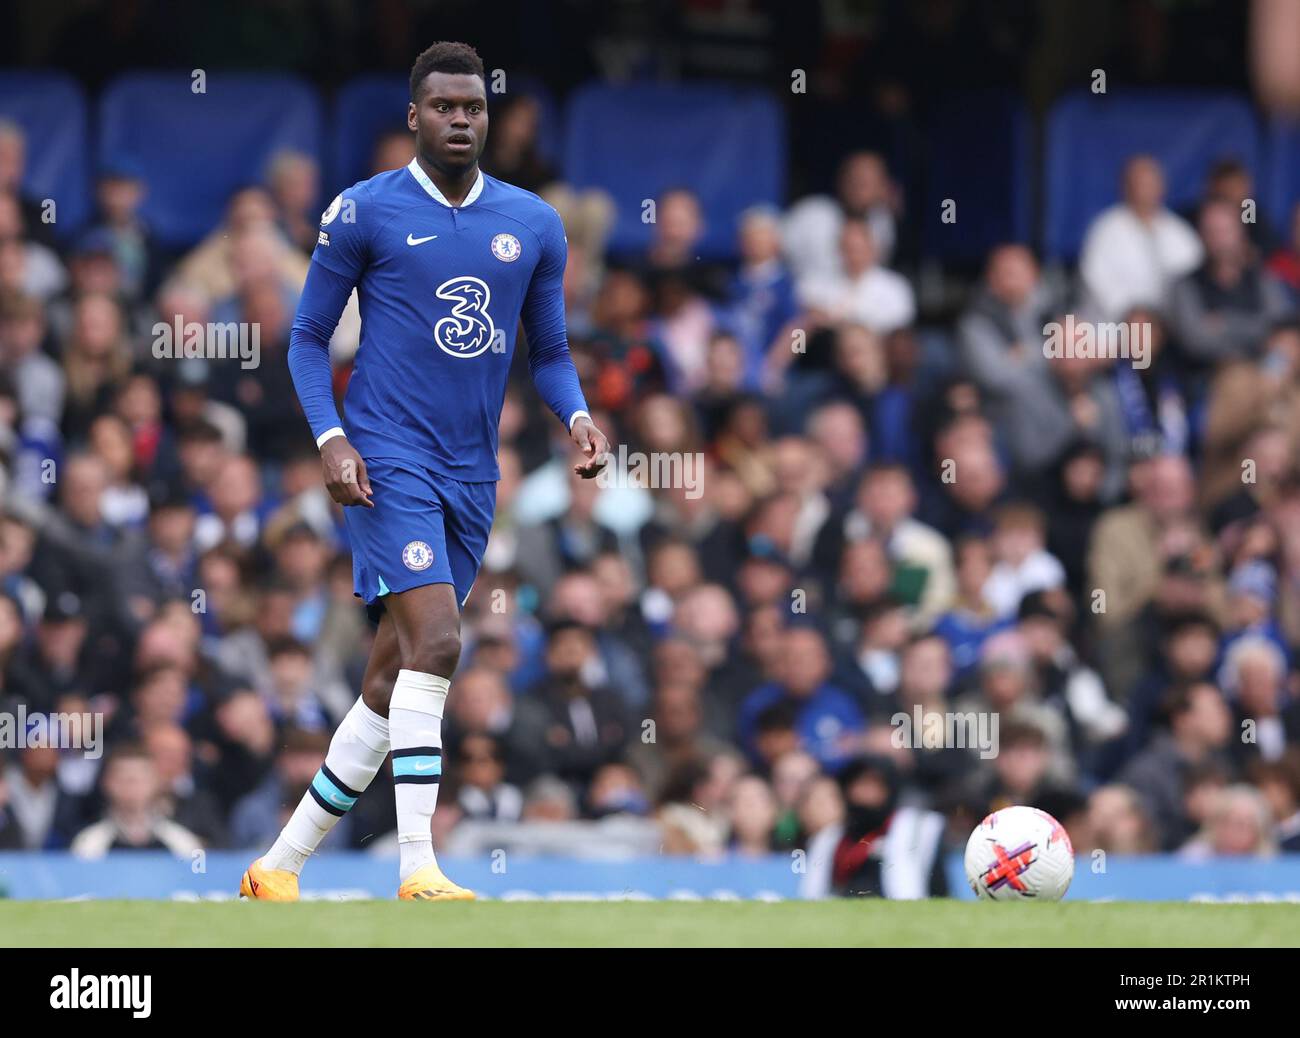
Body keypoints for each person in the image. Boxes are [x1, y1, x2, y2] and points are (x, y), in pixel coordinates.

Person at [242, 41, 609, 903]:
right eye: (442, 106)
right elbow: (303, 338)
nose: (459, 120)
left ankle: (279, 867)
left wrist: (581, 415)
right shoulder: (362, 211)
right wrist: (332, 438)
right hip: (386, 456)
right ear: (414, 116)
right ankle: (419, 867)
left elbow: (549, 352)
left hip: (473, 475)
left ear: (488, 116)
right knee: (440, 642)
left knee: (387, 679)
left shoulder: (533, 224)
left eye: (473, 108)